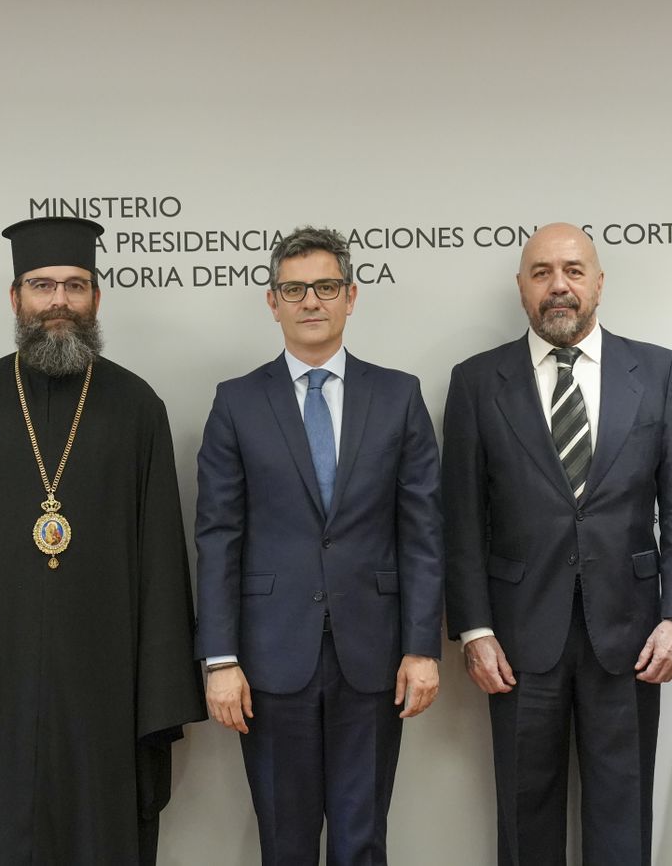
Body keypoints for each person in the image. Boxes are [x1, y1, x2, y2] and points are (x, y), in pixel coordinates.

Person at [0, 216, 205, 865]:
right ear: (15, 299)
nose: (58, 300)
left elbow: (161, 565)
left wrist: (160, 693)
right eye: (42, 285)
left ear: (96, 297)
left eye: (74, 285)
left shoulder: (136, 405)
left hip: (108, 686)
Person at [442, 222, 672, 864]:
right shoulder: (477, 381)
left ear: (597, 281)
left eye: (572, 270)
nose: (558, 286)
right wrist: (474, 630)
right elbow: (459, 518)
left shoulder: (658, 370)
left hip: (631, 633)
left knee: (622, 818)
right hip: (515, 638)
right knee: (524, 816)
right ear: (520, 287)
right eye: (541, 273)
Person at [195, 225, 443, 865]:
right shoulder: (236, 402)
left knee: (363, 841)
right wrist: (220, 658)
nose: (312, 302)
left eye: (326, 287)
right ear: (272, 301)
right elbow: (219, 535)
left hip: (374, 654)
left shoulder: (399, 395)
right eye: (295, 289)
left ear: (351, 296)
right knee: (285, 840)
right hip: (270, 657)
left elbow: (421, 533)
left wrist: (421, 647)